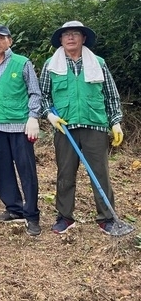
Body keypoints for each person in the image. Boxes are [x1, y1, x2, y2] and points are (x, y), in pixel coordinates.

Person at [40, 21, 124, 235]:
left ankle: (106, 218)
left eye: (75, 34)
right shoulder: (51, 65)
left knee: (100, 173)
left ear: (83, 38)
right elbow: (42, 96)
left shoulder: (98, 63)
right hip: (64, 128)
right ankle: (65, 217)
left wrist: (115, 122)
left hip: (94, 125)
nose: (70, 38)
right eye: (66, 34)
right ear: (60, 39)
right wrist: (50, 116)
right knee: (65, 174)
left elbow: (111, 95)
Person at [0, 25, 42, 236]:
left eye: (1, 38)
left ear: (10, 41)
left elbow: (35, 92)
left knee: (26, 170)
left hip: (20, 126)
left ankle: (32, 215)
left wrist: (33, 117)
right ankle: (14, 209)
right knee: (2, 169)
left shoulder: (22, 63)